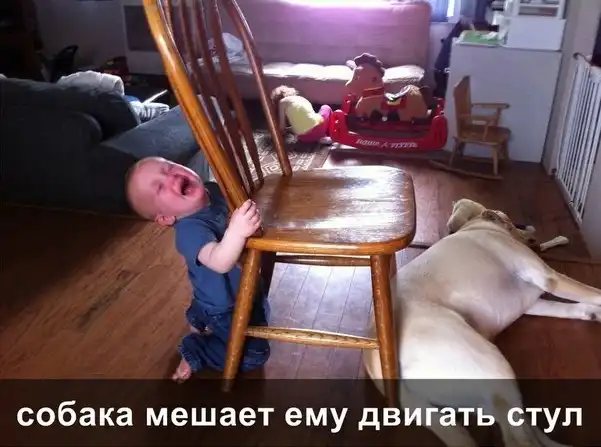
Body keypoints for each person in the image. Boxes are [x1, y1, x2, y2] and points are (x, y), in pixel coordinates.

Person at [125, 156, 270, 381]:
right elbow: (220, 262)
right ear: (167, 218)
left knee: (256, 308)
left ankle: (198, 316)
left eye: (169, 167)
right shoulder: (189, 232)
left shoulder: (213, 189)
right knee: (255, 354)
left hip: (232, 288)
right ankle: (197, 349)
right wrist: (237, 231)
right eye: (160, 187)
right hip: (225, 306)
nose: (171, 176)